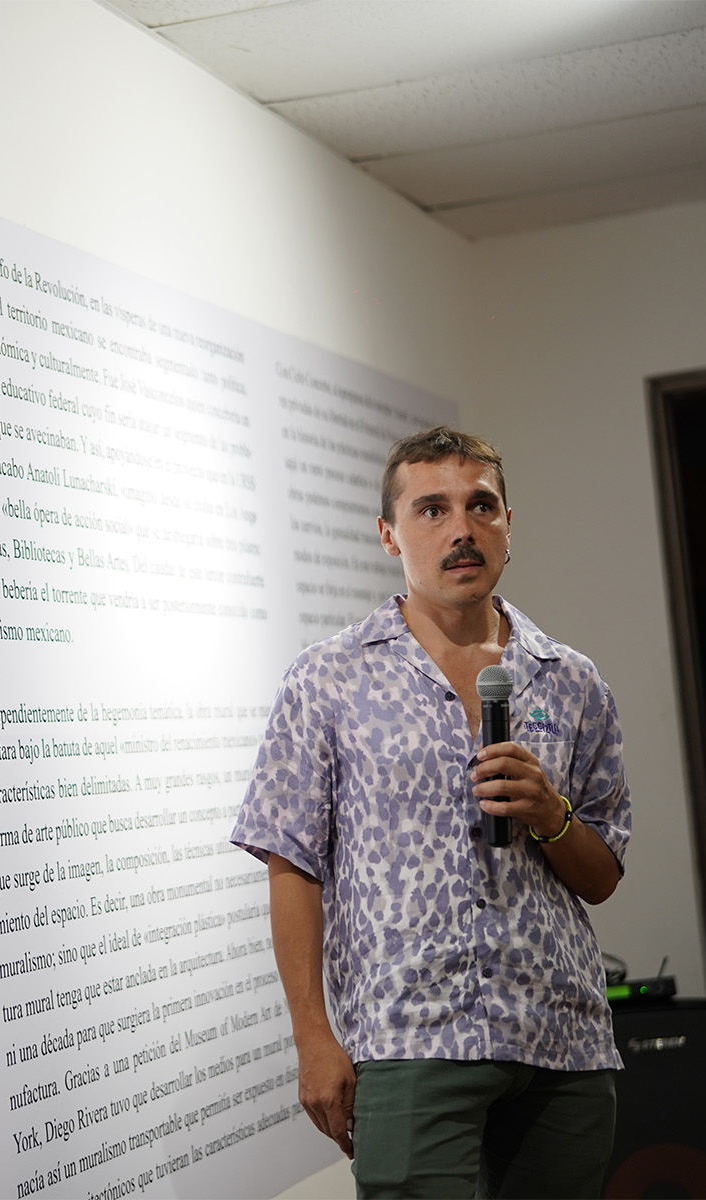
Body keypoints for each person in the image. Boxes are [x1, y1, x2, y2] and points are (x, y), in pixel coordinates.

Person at [231, 427, 631, 1198]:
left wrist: (551, 814)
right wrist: (312, 1036)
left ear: (509, 524)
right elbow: (291, 863)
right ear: (389, 535)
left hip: (563, 1042)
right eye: (432, 509)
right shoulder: (327, 680)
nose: (461, 530)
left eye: (481, 506)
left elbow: (603, 877)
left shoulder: (572, 680)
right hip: (411, 1039)